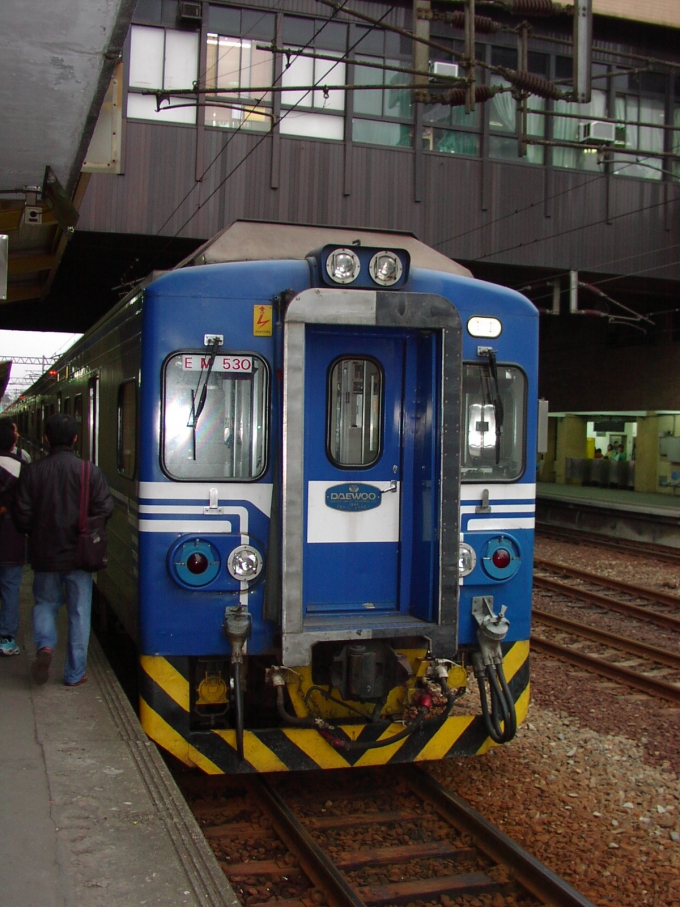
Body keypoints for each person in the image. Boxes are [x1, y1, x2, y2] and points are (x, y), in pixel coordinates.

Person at [11, 413, 113, 686]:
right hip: (80, 556)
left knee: (45, 604)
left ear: (46, 438)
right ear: (76, 438)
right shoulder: (88, 471)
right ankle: (74, 673)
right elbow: (105, 509)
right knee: (80, 613)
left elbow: (20, 514)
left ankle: (45, 647)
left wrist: (34, 532)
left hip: (45, 555)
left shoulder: (33, 471)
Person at [0, 418, 27, 656]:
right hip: (12, 539)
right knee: (9, 589)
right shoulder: (21, 466)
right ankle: (6, 639)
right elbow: (27, 506)